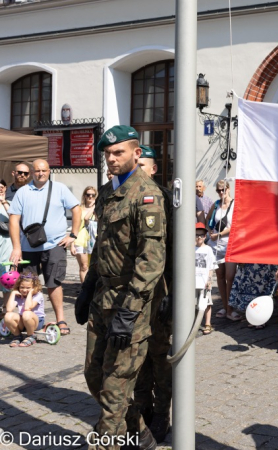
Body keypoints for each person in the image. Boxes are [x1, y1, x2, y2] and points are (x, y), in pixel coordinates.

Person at [77, 125, 166, 450]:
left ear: (136, 154)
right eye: (107, 154)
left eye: (118, 153)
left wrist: (130, 309)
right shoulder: (105, 192)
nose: (111, 159)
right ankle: (140, 432)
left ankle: (107, 442)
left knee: (116, 386)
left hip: (133, 304)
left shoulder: (147, 195)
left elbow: (151, 259)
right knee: (94, 375)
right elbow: (103, 246)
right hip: (103, 297)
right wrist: (88, 287)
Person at [8, 159, 81, 336]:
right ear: (33, 172)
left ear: (49, 171)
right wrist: (16, 248)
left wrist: (73, 234)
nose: (41, 173)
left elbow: (76, 209)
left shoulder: (60, 188)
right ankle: (27, 319)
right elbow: (14, 219)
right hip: (28, 246)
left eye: (44, 170)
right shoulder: (23, 192)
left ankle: (60, 319)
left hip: (54, 244)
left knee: (53, 283)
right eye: (37, 171)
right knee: (26, 285)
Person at [131, 144, 174, 442]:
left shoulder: (163, 198)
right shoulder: (125, 196)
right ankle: (142, 408)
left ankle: (161, 414)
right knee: (137, 354)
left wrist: (172, 291)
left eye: (143, 166)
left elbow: (173, 249)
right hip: (134, 291)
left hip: (160, 288)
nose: (138, 173)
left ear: (153, 169)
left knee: (158, 353)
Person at [206, 179, 239, 321]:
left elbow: (236, 225)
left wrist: (219, 234)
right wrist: (210, 232)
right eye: (219, 190)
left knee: (230, 277)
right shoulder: (216, 205)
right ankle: (225, 307)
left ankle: (231, 308)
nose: (221, 193)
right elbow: (207, 220)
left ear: (229, 189)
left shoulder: (235, 205)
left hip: (230, 245)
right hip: (216, 246)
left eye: (223, 190)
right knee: (219, 276)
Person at [229, 263, 277, 329]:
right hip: (250, 260)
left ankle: (260, 319)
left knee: (264, 288)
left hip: (266, 260)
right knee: (248, 286)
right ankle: (254, 317)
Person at [4, 269, 44, 348]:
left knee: (26, 313)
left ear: (34, 287)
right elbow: (9, 309)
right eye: (22, 287)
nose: (24, 290)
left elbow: (27, 308)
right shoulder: (18, 295)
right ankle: (17, 336)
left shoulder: (38, 295)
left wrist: (30, 293)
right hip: (23, 320)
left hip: (36, 321)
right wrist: (13, 293)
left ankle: (31, 336)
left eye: (28, 288)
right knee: (8, 315)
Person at [71, 186, 98, 283]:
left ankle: (92, 289)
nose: (90, 197)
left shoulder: (98, 209)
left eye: (93, 195)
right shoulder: (79, 209)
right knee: (84, 266)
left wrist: (96, 206)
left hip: (94, 240)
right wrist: (72, 245)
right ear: (84, 196)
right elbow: (75, 227)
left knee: (94, 266)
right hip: (80, 240)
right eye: (88, 195)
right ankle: (84, 289)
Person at [195, 222, 217, 335]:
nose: (198, 237)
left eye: (201, 235)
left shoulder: (208, 249)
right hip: (192, 282)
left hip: (204, 281)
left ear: (205, 236)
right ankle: (194, 324)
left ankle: (207, 323)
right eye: (196, 234)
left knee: (207, 303)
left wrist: (209, 279)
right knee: (194, 304)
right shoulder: (190, 249)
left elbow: (211, 266)